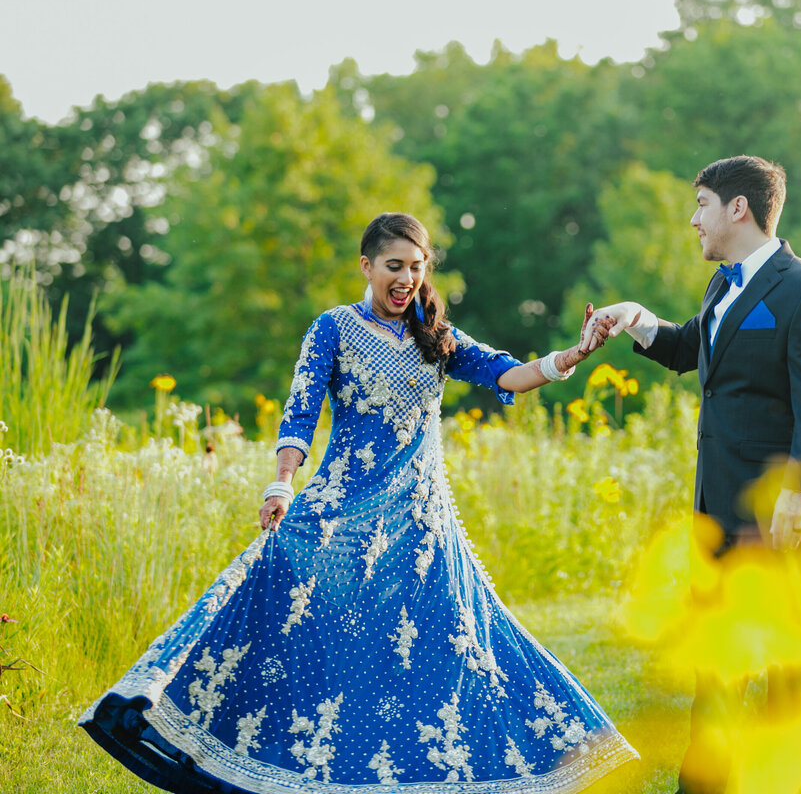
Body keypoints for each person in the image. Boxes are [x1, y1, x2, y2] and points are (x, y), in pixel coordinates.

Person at [80, 212, 637, 793]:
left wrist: (571, 355)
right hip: (342, 514)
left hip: (421, 524)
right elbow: (301, 409)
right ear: (366, 267)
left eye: (416, 268)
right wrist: (281, 483)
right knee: (305, 621)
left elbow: (509, 374)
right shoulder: (334, 328)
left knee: (448, 644)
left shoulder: (438, 336)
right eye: (394, 266)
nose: (406, 279)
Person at [585, 155, 801, 793]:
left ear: (739, 207)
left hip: (780, 516)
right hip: (716, 515)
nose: (692, 218)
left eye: (701, 203)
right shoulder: (723, 287)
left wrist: (799, 492)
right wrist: (636, 318)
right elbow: (689, 349)